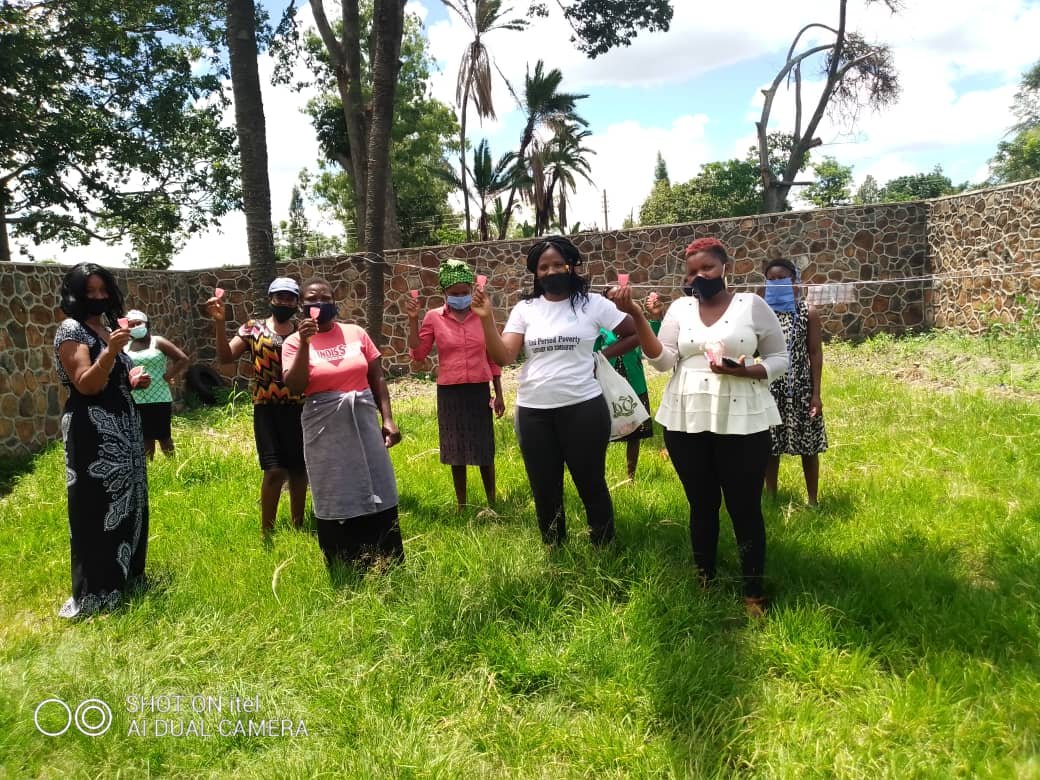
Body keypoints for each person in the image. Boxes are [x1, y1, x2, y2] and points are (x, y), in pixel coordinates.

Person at [611, 238, 788, 617]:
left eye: (706, 268)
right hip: (685, 419)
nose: (698, 276)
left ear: (724, 266)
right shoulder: (680, 308)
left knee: (745, 507)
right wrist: (640, 317)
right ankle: (704, 577)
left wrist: (748, 370)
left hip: (744, 419)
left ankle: (753, 591)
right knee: (702, 504)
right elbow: (662, 361)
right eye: (691, 271)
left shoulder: (751, 306)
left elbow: (779, 357)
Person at [471, 236, 637, 547]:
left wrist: (601, 356)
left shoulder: (593, 304)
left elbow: (633, 332)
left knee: (591, 483)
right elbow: (504, 356)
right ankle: (555, 550)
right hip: (534, 411)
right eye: (543, 267)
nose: (551, 271)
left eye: (557, 264)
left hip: (583, 407)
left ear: (572, 266)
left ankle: (603, 547)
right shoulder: (526, 309)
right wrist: (486, 320)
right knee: (545, 487)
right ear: (535, 274)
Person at [282, 278, 404, 568]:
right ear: (302, 305)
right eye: (313, 298)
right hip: (324, 425)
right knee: (334, 485)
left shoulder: (356, 333)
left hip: (362, 420)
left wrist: (387, 418)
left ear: (335, 302)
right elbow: (295, 386)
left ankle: (386, 557)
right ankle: (345, 561)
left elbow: (377, 376)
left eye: (326, 297)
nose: (320, 303)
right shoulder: (292, 342)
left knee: (376, 480)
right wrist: (304, 344)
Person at [53, 263, 150, 618]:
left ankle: (125, 577)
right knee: (97, 508)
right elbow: (86, 384)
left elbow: (109, 379)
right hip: (92, 435)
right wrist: (111, 353)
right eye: (89, 291)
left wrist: (130, 377)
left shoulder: (105, 327)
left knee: (129, 502)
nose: (97, 297)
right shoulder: (71, 330)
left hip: (122, 428)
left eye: (102, 290)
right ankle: (97, 590)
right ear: (74, 294)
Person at [206, 278, 307, 536]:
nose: (284, 302)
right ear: (270, 299)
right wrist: (219, 322)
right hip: (267, 408)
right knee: (274, 470)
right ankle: (267, 532)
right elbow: (225, 357)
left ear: (297, 302)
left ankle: (299, 525)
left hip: (300, 407)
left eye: (290, 298)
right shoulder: (252, 329)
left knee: (298, 468)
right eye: (279, 297)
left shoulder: (304, 331)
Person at [406, 258, 505, 511]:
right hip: (450, 391)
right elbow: (418, 354)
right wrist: (413, 320)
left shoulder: (482, 316)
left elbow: (493, 357)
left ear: (472, 291)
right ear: (444, 294)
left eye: (464, 292)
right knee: (455, 450)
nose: (460, 297)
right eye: (454, 294)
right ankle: (462, 505)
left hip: (479, 388)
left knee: (484, 448)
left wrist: (499, 393)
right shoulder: (433, 318)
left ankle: (491, 501)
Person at [762, 258, 828, 506]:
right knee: (770, 446)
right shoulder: (763, 315)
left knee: (809, 447)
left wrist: (816, 394)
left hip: (801, 388)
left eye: (782, 278)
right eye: (772, 279)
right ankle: (771, 497)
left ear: (795, 282)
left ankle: (812, 500)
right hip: (770, 389)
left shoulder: (807, 312)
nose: (777, 283)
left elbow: (814, 353)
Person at [592, 291, 663, 480]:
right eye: (613, 298)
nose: (618, 301)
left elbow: (652, 341)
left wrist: (655, 318)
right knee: (602, 431)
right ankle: (599, 476)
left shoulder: (636, 324)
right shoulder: (600, 328)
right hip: (608, 384)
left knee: (635, 432)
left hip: (634, 383)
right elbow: (592, 354)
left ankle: (630, 476)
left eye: (622, 297)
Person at [123, 308, 189, 459]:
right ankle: (150, 470)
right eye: (131, 325)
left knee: (163, 436)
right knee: (145, 437)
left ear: (146, 323)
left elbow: (182, 359)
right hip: (137, 397)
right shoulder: (126, 347)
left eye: (138, 323)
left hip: (160, 396)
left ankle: (173, 466)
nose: (135, 327)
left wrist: (168, 375)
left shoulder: (157, 341)